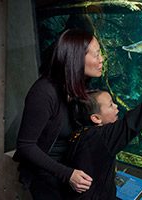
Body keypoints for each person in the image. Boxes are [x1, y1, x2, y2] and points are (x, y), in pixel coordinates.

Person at [12, 28, 104, 200]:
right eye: (97, 54)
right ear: (77, 58)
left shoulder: (76, 86)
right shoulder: (43, 92)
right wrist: (67, 174)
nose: (102, 60)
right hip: (47, 177)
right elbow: (25, 146)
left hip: (69, 168)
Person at [65, 77, 142, 200]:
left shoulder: (81, 133)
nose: (116, 106)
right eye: (110, 105)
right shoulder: (102, 137)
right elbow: (132, 122)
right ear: (96, 118)